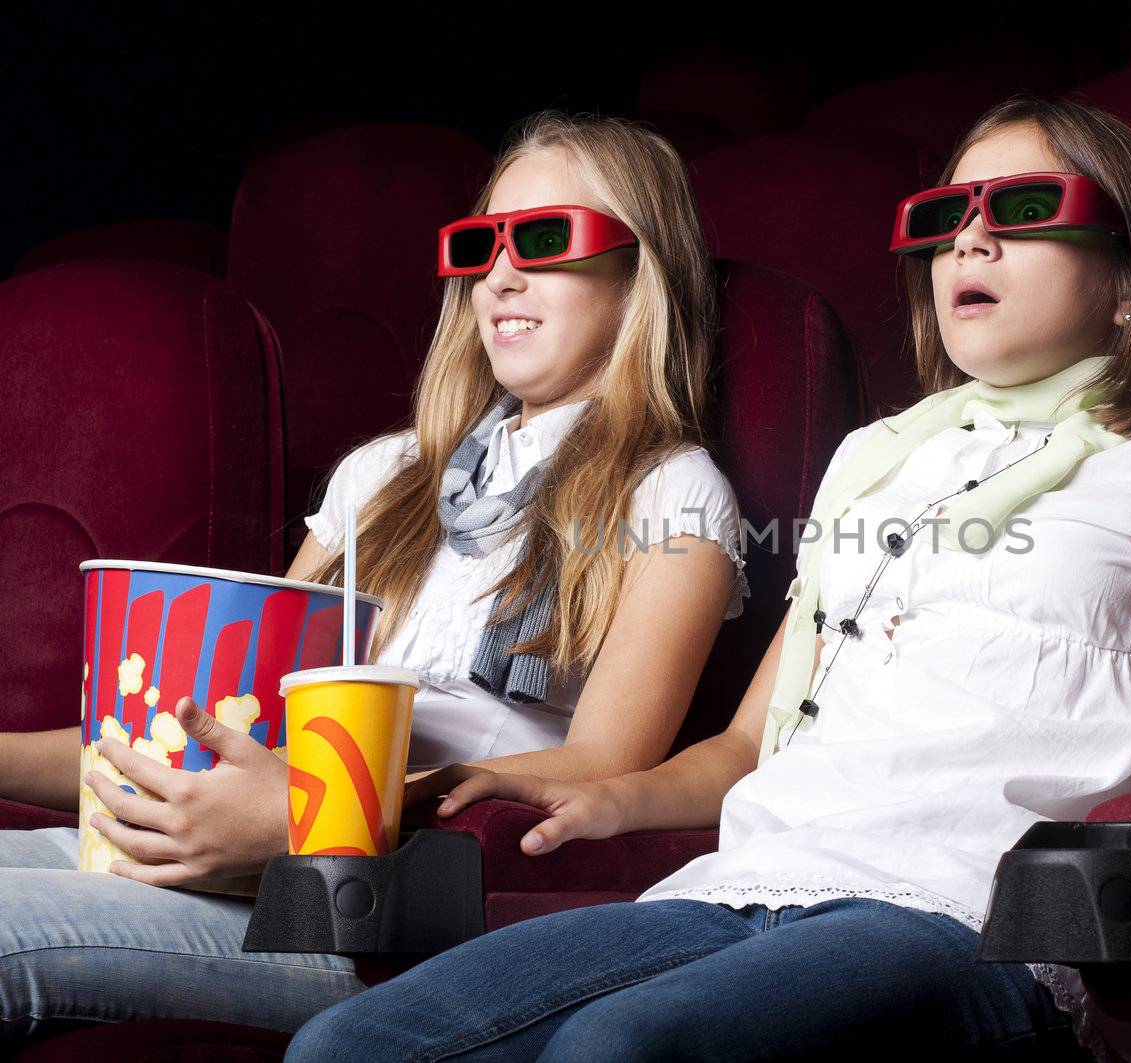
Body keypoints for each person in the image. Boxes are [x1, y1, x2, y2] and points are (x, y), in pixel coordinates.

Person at [284, 95, 1131, 1063]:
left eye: (1022, 213)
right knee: (350, 1042)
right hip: (749, 877)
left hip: (965, 907)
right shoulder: (878, 465)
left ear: (1130, 285)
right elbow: (746, 747)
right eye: (945, 221)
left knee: (621, 1048)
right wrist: (608, 797)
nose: (967, 244)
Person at [0, 110, 749, 1037]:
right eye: (480, 245)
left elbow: (604, 769)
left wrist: (312, 813)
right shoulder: (385, 473)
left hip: (374, 905)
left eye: (547, 239)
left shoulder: (673, 491)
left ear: (643, 273)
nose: (500, 275)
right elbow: (210, 722)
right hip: (234, 843)